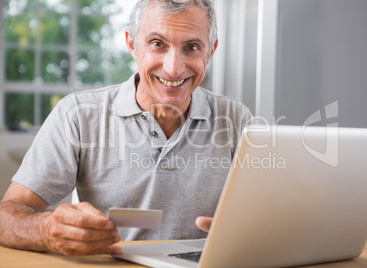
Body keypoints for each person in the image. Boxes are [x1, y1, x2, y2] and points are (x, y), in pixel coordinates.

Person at [0, 0, 252, 256]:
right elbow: (6, 215)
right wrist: (44, 229)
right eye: (157, 44)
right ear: (132, 44)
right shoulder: (78, 115)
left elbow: (272, 214)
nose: (174, 68)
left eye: (192, 47)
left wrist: (249, 229)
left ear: (210, 51)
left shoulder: (236, 118)